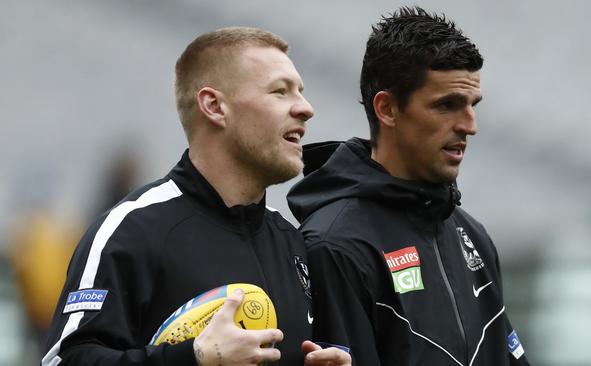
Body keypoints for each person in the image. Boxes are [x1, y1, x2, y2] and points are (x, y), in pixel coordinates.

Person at [42, 27, 351, 366]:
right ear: (215, 106)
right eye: (280, 91)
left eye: (301, 92)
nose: (306, 108)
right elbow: (64, 361)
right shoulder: (131, 231)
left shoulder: (291, 242)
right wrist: (195, 357)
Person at [288, 7, 530, 365]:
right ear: (387, 109)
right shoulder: (335, 246)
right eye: (447, 105)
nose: (469, 125)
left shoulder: (471, 234)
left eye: (472, 105)